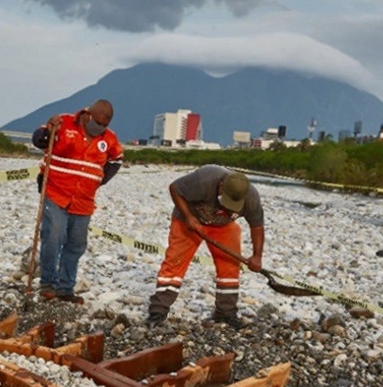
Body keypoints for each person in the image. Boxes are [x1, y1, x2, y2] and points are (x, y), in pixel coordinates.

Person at [147, 165, 264, 329]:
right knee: (175, 262)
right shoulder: (204, 179)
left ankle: (225, 312)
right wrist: (188, 217)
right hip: (189, 221)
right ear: (221, 186)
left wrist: (257, 256)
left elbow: (257, 226)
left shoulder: (252, 197)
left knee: (230, 267)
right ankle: (158, 311)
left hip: (223, 226)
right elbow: (175, 188)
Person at [30, 99, 123, 304]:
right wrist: (46, 132)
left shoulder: (109, 139)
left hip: (84, 200)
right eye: (98, 123)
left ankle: (65, 288)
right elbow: (38, 139)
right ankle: (47, 283)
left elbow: (117, 160)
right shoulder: (63, 122)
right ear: (88, 114)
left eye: (104, 125)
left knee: (76, 244)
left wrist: (99, 179)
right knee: (53, 235)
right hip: (56, 192)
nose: (100, 128)